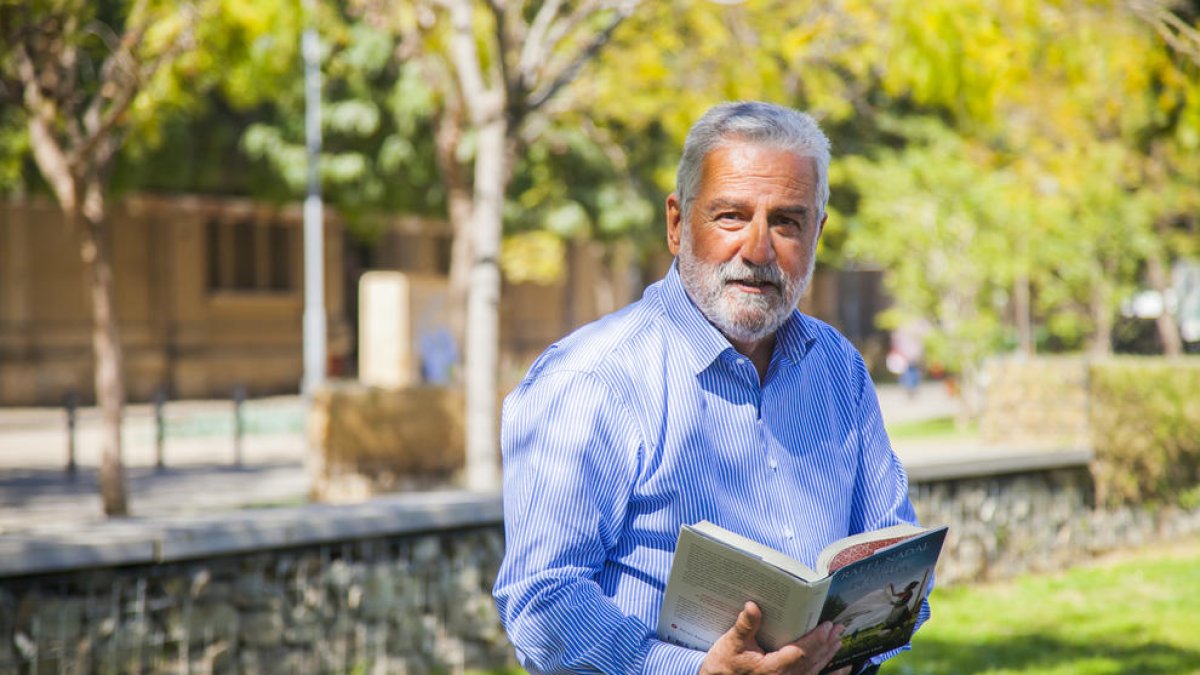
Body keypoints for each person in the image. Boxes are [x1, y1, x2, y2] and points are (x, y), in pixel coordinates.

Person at [493, 101, 928, 675]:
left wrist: (845, 654)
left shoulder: (840, 371)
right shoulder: (593, 381)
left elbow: (899, 566)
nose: (757, 250)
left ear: (817, 234)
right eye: (730, 216)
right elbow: (540, 602)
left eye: (786, 222)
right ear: (677, 224)